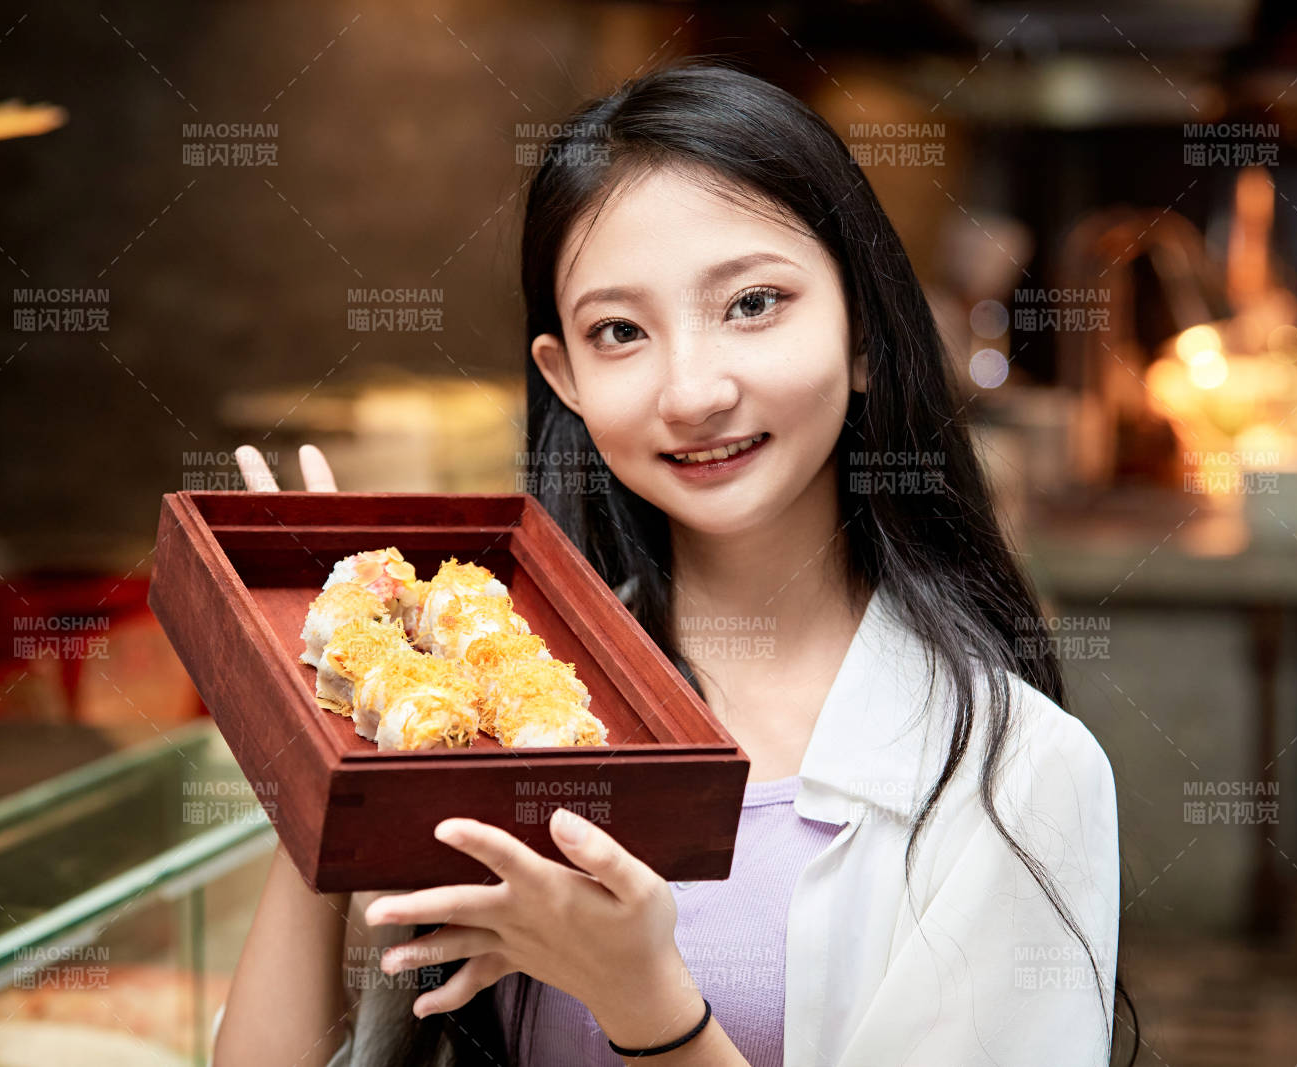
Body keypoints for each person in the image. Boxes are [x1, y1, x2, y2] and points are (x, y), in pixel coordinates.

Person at [211, 60, 1131, 1067]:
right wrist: (325, 729)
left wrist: (644, 1000)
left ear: (864, 330)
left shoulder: (1016, 772)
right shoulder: (492, 709)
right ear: (564, 376)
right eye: (620, 331)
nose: (692, 392)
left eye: (752, 303)